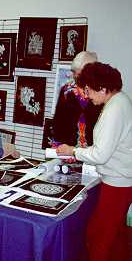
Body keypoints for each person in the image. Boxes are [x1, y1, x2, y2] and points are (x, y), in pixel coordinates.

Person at [56, 62, 132, 261]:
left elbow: (100, 154)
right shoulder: (118, 102)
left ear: (102, 88)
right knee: (116, 236)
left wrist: (73, 150)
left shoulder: (115, 108)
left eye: (88, 90)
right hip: (118, 180)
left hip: (118, 183)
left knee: (98, 237)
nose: (86, 95)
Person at [53, 51, 102, 148]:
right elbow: (58, 121)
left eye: (79, 73)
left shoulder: (101, 92)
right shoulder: (67, 91)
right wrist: (58, 145)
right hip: (68, 147)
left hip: (94, 149)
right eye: (74, 72)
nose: (75, 76)